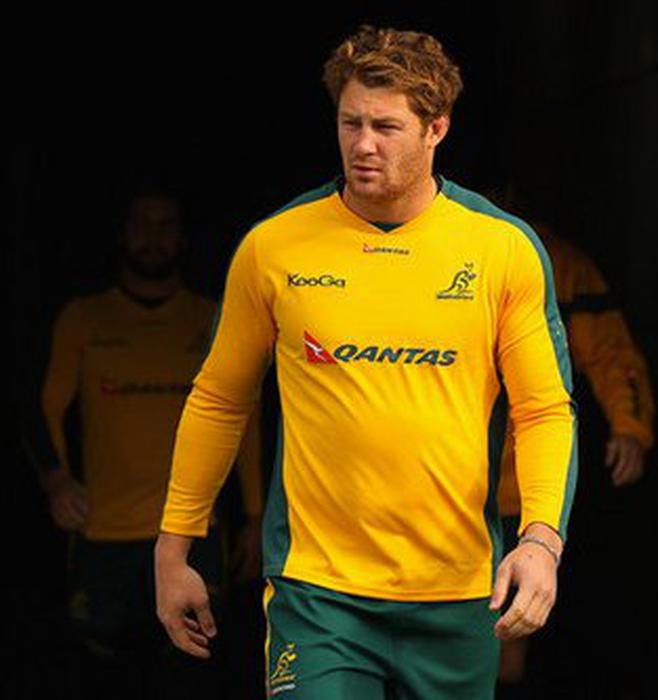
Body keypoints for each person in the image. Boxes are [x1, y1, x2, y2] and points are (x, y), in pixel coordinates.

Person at [155, 25, 578, 700]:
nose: (363, 144)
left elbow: (544, 410)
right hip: (319, 593)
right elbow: (219, 399)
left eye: (386, 127)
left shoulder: (502, 249)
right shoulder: (275, 246)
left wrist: (541, 541)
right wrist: (174, 548)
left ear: (436, 128)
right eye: (350, 123)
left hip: (458, 591)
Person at [29, 190, 263, 699]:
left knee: (191, 672)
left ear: (183, 239)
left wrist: (254, 514)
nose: (153, 236)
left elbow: (243, 418)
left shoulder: (210, 317)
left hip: (195, 533)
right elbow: (43, 407)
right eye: (141, 223)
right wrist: (56, 480)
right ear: (121, 234)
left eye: (165, 225)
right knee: (98, 671)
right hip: (103, 532)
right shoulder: (84, 317)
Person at [489, 186, 655, 696]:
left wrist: (630, 428)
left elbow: (609, 353)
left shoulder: (560, 264)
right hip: (438, 489)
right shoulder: (435, 252)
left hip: (527, 491)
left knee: (509, 635)